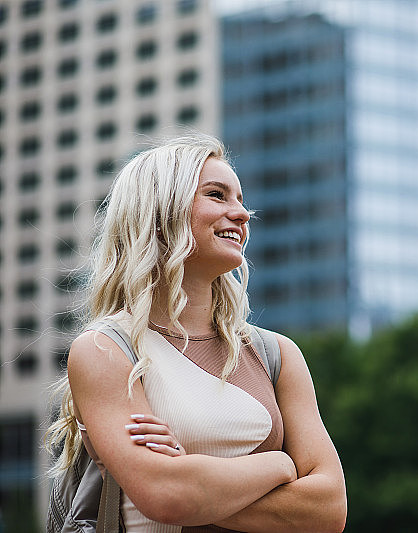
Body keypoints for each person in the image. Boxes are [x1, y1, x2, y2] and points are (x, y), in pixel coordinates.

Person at [45, 134, 347, 532]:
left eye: (240, 199)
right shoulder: (105, 349)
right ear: (160, 210)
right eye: (217, 195)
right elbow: (167, 495)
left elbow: (329, 510)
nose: (241, 214)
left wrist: (196, 480)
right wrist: (280, 464)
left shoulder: (277, 355)